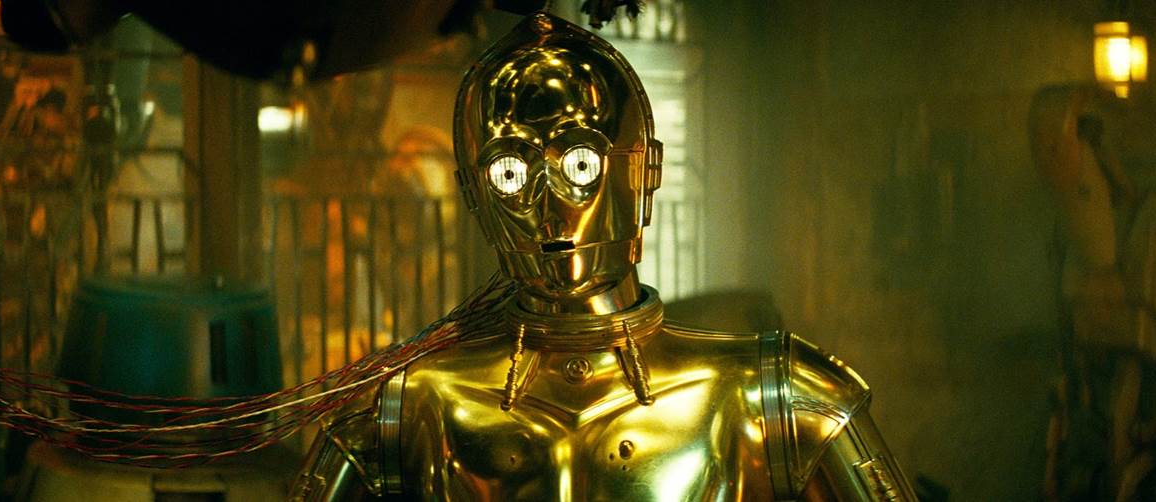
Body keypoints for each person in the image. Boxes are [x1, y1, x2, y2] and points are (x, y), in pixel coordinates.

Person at [291, 13, 916, 501]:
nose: (546, 205)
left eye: (579, 164)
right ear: (475, 195)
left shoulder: (777, 395)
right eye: (510, 173)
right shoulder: (405, 405)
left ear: (640, 173)